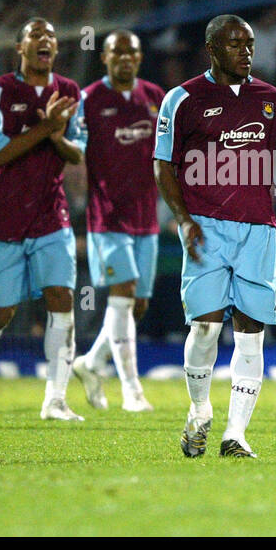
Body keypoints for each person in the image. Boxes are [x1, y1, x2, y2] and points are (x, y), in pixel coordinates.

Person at [154, 14, 276, 458]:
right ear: (213, 49)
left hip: (259, 230)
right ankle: (199, 413)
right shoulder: (181, 100)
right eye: (235, 45)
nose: (246, 52)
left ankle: (235, 434)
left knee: (251, 332)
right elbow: (163, 165)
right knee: (204, 328)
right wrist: (183, 218)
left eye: (250, 44)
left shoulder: (272, 100)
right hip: (205, 228)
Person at [0, 18, 89, 422]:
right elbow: (1, 152)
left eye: (51, 37)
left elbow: (76, 154)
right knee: (0, 313)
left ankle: (56, 400)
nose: (45, 41)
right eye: (36, 36)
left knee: (61, 300)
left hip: (50, 214)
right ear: (20, 48)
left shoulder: (69, 92)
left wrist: (59, 135)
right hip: (2, 215)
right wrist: (48, 126)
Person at [70, 30, 164, 412]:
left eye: (132, 52)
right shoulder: (89, 100)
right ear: (104, 58)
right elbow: (74, 151)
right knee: (123, 294)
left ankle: (91, 363)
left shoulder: (156, 98)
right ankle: (132, 391)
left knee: (136, 305)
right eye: (117, 52)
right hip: (107, 216)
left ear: (140, 59)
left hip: (147, 217)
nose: (125, 58)